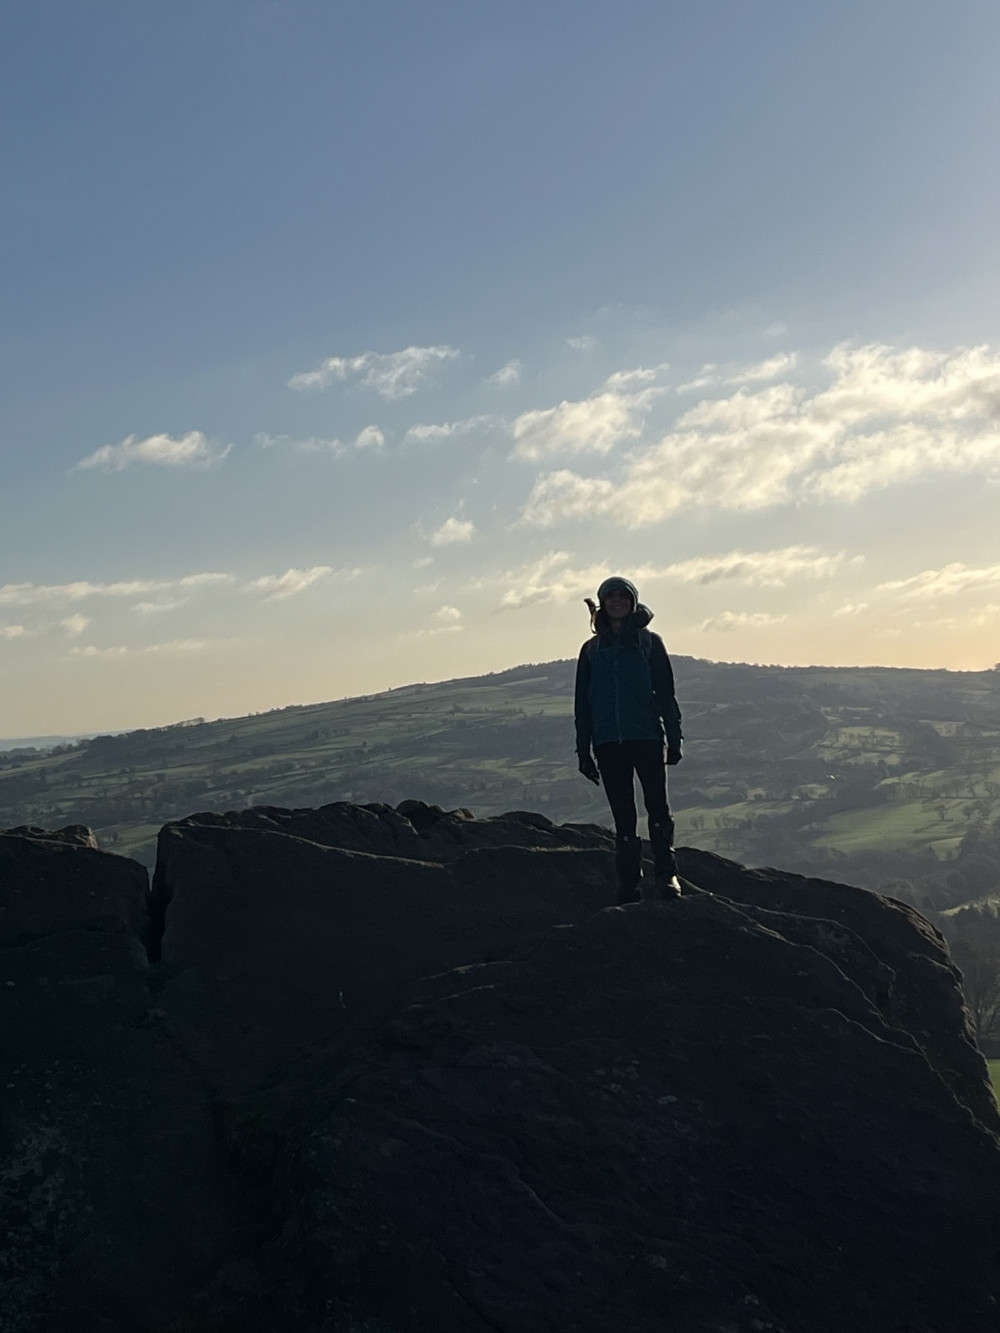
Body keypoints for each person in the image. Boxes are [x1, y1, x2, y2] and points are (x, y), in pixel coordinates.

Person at [574, 576, 683, 902]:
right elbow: (583, 704)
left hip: (646, 737)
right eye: (611, 597)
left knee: (658, 809)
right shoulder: (591, 650)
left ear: (633, 602)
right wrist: (583, 751)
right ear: (603, 603)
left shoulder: (650, 643)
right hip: (608, 742)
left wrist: (674, 739)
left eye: (623, 596)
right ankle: (628, 883)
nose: (617, 602)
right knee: (623, 815)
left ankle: (666, 876)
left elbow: (666, 695)